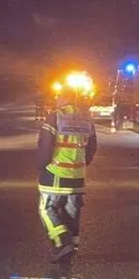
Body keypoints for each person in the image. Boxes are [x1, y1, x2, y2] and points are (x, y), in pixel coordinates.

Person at [37, 88, 97, 264]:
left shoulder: (55, 117)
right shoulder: (87, 119)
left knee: (46, 209)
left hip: (56, 173)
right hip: (77, 175)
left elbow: (45, 145)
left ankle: (63, 243)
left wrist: (41, 166)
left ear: (64, 98)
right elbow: (92, 147)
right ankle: (71, 248)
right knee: (71, 212)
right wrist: (82, 164)